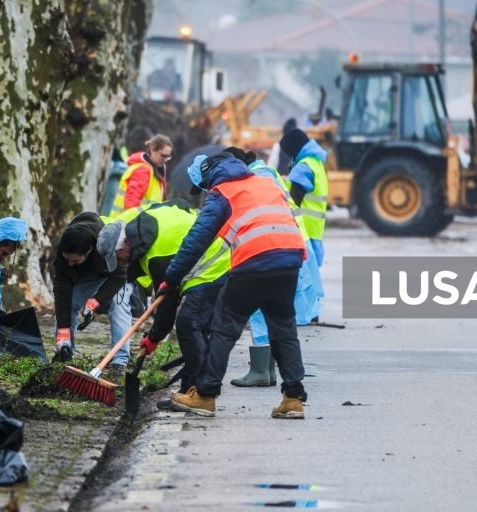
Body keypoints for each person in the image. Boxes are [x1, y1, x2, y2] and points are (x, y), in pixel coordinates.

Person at [165, 151, 309, 420]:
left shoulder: (222, 192)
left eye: (204, 185)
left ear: (209, 175)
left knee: (224, 328)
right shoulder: (265, 183)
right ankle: (293, 398)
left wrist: (171, 278)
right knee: (283, 327)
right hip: (289, 256)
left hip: (254, 260)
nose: (206, 190)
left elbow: (196, 240)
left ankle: (205, 396)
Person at [220, 149, 323, 388]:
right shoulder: (266, 172)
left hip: (274, 246)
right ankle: (268, 370)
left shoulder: (259, 177)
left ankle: (262, 371)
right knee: (274, 312)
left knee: (262, 310)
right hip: (288, 243)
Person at [118, 200, 229, 410]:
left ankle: (202, 394)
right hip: (212, 261)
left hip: (213, 264)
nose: (119, 262)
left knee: (188, 323)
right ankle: (189, 390)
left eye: (117, 256)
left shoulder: (156, 255)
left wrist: (153, 338)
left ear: (125, 245)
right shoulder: (145, 232)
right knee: (196, 328)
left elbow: (168, 305)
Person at [52, 213, 133, 368]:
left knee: (118, 305)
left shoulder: (107, 243)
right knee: (70, 302)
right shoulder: (66, 245)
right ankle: (65, 352)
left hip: (118, 273)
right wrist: (63, 331)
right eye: (67, 259)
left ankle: (120, 360)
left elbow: (119, 277)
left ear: (89, 250)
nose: (70, 264)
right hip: (90, 273)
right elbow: (62, 291)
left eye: (75, 260)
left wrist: (95, 301)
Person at [280, 128, 329, 270]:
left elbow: (293, 201)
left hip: (302, 233)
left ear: (294, 148)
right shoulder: (315, 163)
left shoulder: (303, 167)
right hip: (314, 231)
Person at [110, 134, 174, 218]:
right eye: (163, 156)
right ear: (152, 149)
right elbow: (131, 203)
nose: (165, 160)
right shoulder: (143, 171)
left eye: (168, 157)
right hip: (128, 222)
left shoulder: (154, 172)